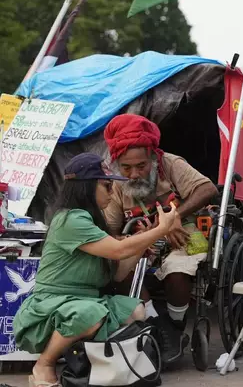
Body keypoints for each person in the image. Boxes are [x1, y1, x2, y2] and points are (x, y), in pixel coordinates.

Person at [12, 153, 178, 387]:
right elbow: (119, 250)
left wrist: (141, 243)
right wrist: (161, 230)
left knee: (136, 312)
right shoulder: (70, 220)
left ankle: (92, 367)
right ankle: (44, 364)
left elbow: (119, 272)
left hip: (83, 303)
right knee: (90, 316)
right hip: (53, 305)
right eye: (107, 185)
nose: (112, 192)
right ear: (86, 187)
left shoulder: (91, 221)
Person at [102, 114, 218, 366]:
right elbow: (109, 229)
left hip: (183, 237)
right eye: (126, 168)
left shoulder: (172, 164)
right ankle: (156, 326)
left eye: (141, 166)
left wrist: (176, 215)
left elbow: (207, 189)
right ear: (117, 164)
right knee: (120, 269)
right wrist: (132, 238)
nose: (134, 174)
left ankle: (176, 326)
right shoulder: (117, 185)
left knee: (177, 271)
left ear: (153, 158)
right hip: (144, 241)